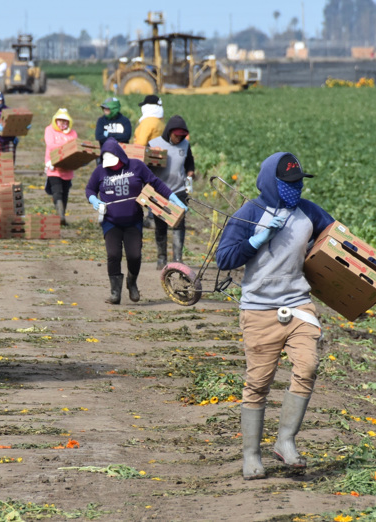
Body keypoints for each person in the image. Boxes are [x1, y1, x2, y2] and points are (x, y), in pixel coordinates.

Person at [214, 152, 334, 480]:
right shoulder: (250, 213)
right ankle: (252, 455)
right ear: (271, 182)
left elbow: (336, 238)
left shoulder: (308, 212)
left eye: (299, 183)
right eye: (288, 184)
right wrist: (257, 238)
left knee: (308, 366)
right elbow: (224, 259)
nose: (295, 189)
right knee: (258, 384)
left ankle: (285, 441)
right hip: (258, 309)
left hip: (298, 304)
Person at [85, 138, 186, 305]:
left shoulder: (136, 166)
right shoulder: (100, 171)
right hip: (111, 222)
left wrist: (172, 197)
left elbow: (155, 183)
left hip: (133, 221)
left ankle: (132, 282)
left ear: (121, 157)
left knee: (134, 255)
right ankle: (115, 293)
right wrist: (94, 200)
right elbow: (90, 188)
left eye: (114, 163)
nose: (112, 167)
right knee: (113, 255)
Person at [149, 116, 195, 269]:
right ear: (169, 132)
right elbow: (146, 167)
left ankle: (177, 259)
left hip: (179, 190)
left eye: (182, 136)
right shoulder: (154, 144)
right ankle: (161, 258)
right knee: (160, 225)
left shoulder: (185, 145)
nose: (179, 139)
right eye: (176, 136)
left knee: (179, 224)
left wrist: (190, 173)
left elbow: (189, 162)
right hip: (159, 191)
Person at [43, 108, 77, 226]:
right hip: (53, 167)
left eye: (65, 121)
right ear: (55, 121)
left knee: (65, 192)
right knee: (57, 190)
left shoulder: (72, 133)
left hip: (67, 168)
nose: (62, 123)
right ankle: (60, 214)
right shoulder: (49, 130)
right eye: (60, 120)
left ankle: (62, 217)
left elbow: (75, 147)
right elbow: (51, 145)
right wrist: (66, 145)